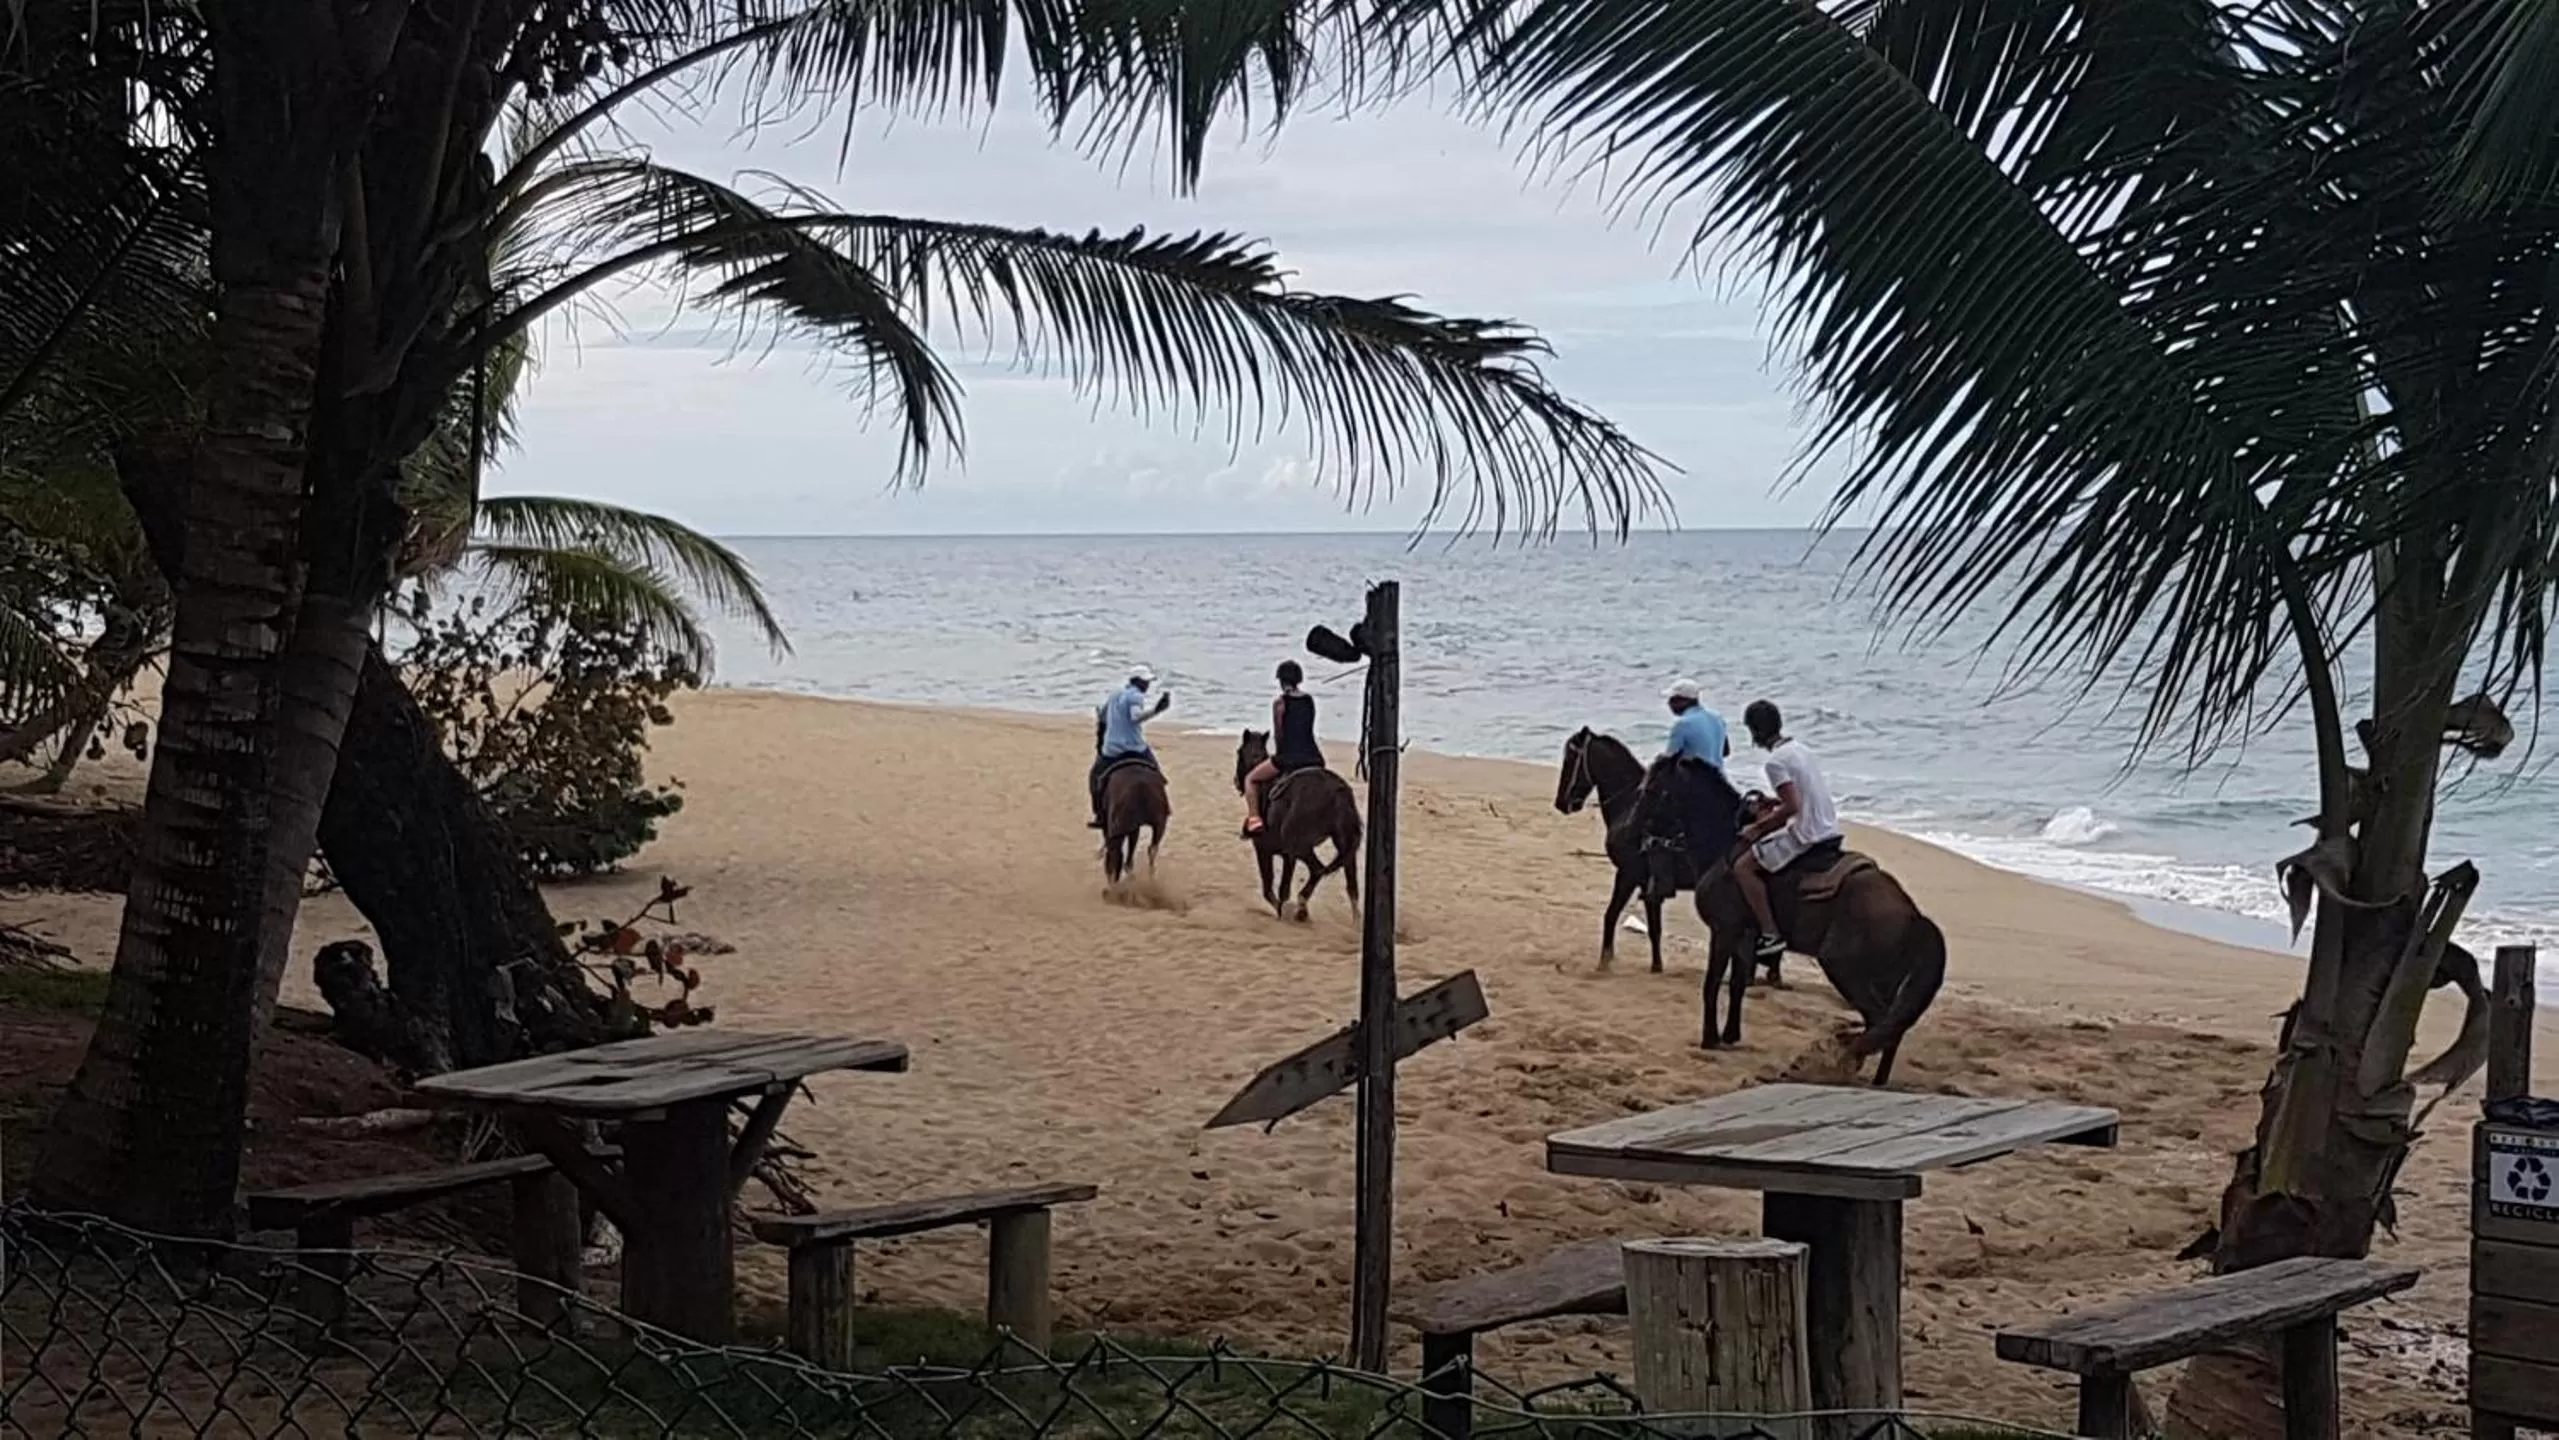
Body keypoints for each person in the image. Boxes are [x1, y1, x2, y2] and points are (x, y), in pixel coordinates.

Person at [1731, 699, 1843, 962]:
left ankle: (1771, 934)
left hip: (1807, 832)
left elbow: (1792, 806)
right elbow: (1798, 793)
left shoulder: (1774, 763)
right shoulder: (1798, 749)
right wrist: (1773, 802)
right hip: (1827, 824)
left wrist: (1756, 828)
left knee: (1744, 868)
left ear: (1755, 731)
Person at [1242, 660, 1323, 835]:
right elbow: (1307, 728)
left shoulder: (1280, 703)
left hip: (1290, 758)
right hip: (1314, 757)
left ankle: (1254, 819)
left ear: (1281, 680)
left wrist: (1279, 754)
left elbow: (1280, 734)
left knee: (1250, 779)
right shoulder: (1309, 700)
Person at [1090, 664, 1170, 828]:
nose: (1148, 685)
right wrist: (1156, 710)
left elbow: (1103, 717)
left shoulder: (1115, 695)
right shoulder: (1136, 697)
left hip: (1112, 749)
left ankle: (1099, 813)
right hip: (1134, 748)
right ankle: (1163, 808)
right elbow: (1135, 717)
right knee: (1158, 775)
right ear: (1137, 682)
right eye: (1145, 682)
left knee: (1095, 778)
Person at [1660, 679, 1730, 771]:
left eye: (1673, 700)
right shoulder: (1717, 717)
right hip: (1719, 780)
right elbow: (1725, 752)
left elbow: (1669, 760)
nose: (1668, 704)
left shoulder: (1682, 724)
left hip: (1694, 782)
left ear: (1684, 701)